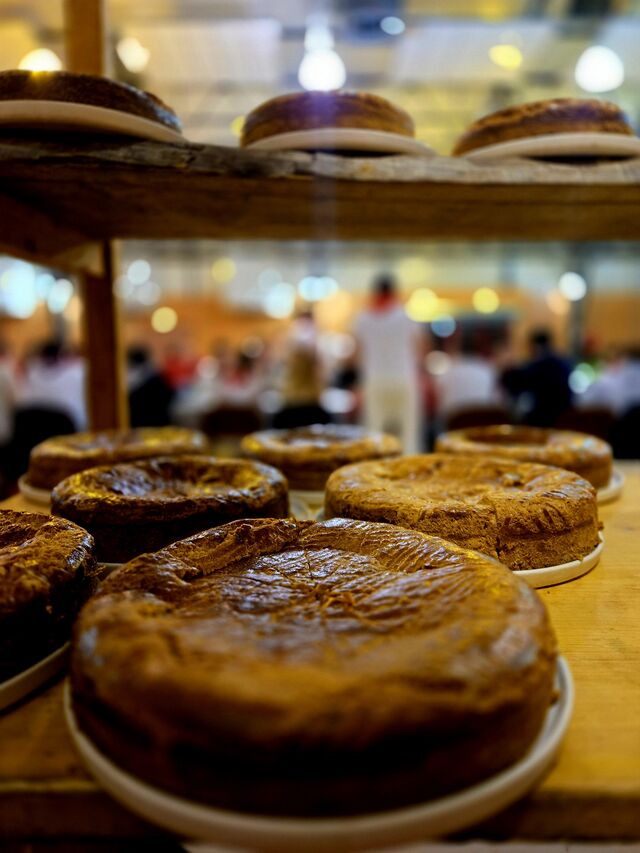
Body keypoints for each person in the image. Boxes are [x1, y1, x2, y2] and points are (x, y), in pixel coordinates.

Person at [354, 274, 424, 453]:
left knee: (374, 432)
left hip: (375, 379)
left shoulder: (363, 318)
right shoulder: (405, 315)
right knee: (408, 433)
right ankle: (410, 463)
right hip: (404, 377)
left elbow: (357, 354)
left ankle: (373, 467)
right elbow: (421, 348)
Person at [501, 329, 572, 426]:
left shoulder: (540, 364)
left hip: (544, 418)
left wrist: (507, 366)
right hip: (565, 417)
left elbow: (514, 382)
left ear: (535, 345)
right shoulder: (563, 362)